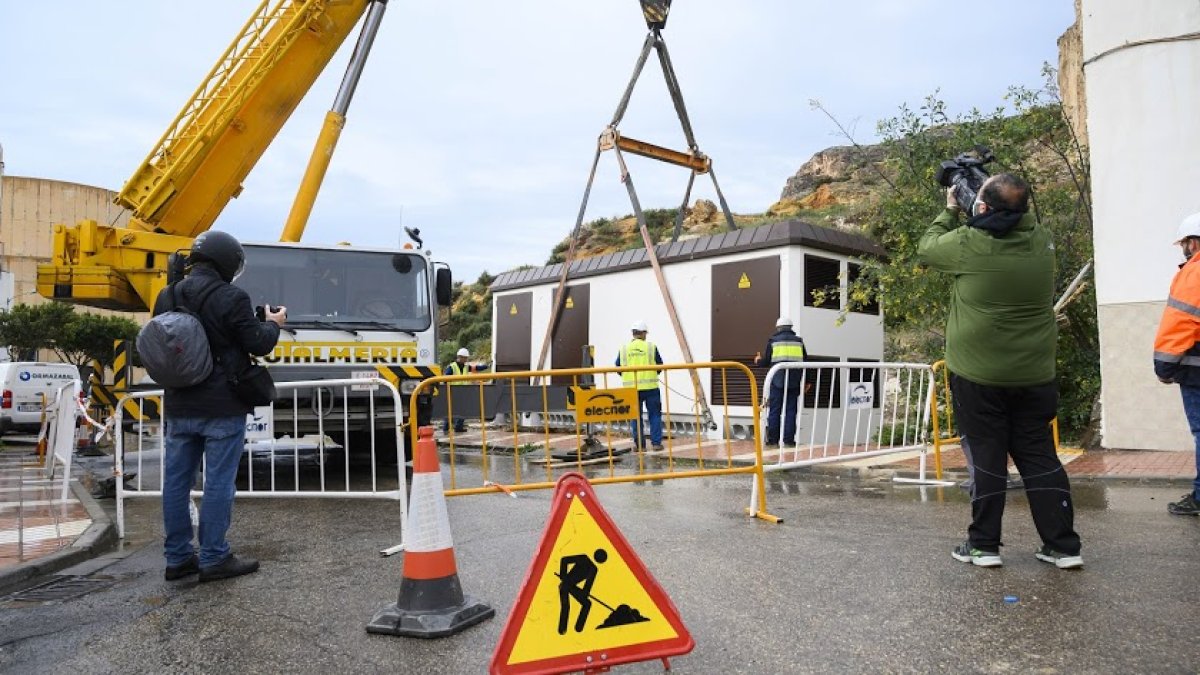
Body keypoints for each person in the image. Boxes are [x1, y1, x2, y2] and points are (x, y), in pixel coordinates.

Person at [918, 173, 1082, 569]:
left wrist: (950, 209)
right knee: (1040, 458)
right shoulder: (1043, 244)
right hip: (1034, 374)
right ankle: (1062, 547)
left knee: (989, 459)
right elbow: (1011, 213)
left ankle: (984, 546)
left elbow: (927, 249)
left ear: (982, 208)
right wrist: (989, 193)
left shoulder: (969, 244)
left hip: (978, 376)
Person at [154, 230, 285, 582]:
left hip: (179, 404)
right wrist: (272, 324)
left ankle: (178, 558)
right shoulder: (232, 296)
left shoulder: (167, 295)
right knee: (218, 483)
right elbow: (257, 344)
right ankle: (214, 557)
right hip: (222, 405)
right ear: (227, 263)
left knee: (177, 483)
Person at [1152, 210, 1200, 517]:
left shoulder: (1194, 273)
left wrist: (1164, 367)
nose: (1183, 249)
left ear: (1194, 242)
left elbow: (1180, 323)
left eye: (1184, 242)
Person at [754, 317, 809, 447]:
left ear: (778, 327)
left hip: (777, 381)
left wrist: (758, 360)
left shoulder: (773, 341)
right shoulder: (799, 342)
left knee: (775, 411)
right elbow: (806, 361)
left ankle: (773, 440)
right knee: (791, 411)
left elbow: (766, 362)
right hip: (794, 381)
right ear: (791, 328)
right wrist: (807, 381)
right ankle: (789, 441)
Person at [616, 320, 664, 451]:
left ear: (633, 333)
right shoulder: (651, 347)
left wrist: (629, 378)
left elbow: (618, 367)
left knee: (635, 417)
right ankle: (656, 444)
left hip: (631, 389)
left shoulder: (624, 348)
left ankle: (640, 446)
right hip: (651, 388)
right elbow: (660, 365)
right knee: (654, 415)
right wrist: (651, 374)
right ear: (643, 333)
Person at [442, 347, 472, 434]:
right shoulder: (452, 367)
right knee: (450, 410)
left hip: (463, 391)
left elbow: (476, 368)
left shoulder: (466, 367)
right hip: (453, 392)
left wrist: (487, 366)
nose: (466, 359)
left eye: (466, 358)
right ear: (460, 357)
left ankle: (459, 427)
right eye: (465, 358)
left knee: (462, 410)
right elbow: (445, 378)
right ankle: (446, 427)